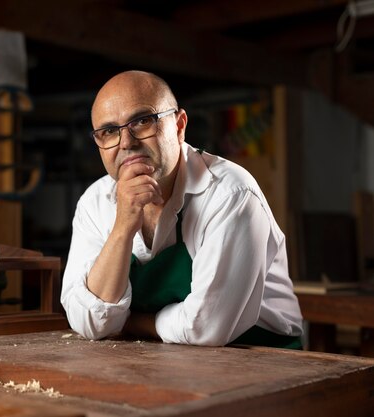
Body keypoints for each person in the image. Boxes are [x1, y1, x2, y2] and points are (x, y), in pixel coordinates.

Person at [60, 70, 303, 348]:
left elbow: (206, 327)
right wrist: (123, 227)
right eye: (109, 131)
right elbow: (87, 320)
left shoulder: (230, 194)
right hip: (159, 359)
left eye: (142, 121)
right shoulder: (95, 202)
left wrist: (131, 322)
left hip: (265, 359)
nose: (127, 142)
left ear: (179, 126)